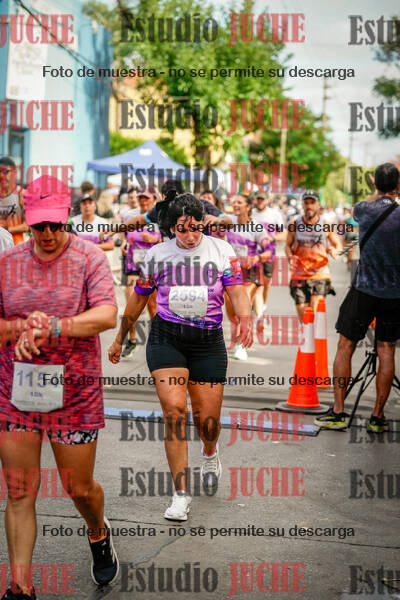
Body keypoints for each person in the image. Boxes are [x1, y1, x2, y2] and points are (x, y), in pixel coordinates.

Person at [0, 175, 119, 599]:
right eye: (38, 225)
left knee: (78, 489)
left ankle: (97, 531)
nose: (47, 233)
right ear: (27, 220)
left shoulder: (89, 258)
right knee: (19, 492)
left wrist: (53, 326)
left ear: (67, 216)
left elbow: (107, 315)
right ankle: (20, 588)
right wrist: (19, 328)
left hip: (75, 395)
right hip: (16, 393)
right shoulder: (8, 262)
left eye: (55, 223)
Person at [108, 191, 252, 520]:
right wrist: (120, 337)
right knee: (174, 411)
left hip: (207, 342)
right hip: (167, 338)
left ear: (203, 224)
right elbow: (138, 298)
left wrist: (245, 319)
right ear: (172, 228)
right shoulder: (158, 255)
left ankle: (210, 453)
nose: (190, 236)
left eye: (196, 228)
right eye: (182, 229)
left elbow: (237, 290)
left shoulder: (221, 250)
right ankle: (180, 493)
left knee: (207, 421)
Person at [315, 163, 400, 433]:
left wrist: (381, 189)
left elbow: (364, 205)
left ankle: (339, 412)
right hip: (394, 293)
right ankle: (377, 417)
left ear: (374, 183)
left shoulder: (364, 209)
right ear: (398, 185)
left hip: (364, 288)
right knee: (386, 350)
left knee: (345, 344)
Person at [225, 194, 273, 360]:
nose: (235, 204)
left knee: (243, 306)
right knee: (231, 310)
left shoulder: (257, 227)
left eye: (239, 202)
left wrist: (257, 258)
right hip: (230, 271)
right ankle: (242, 334)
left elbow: (268, 252)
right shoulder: (229, 222)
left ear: (248, 207)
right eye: (234, 202)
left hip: (250, 273)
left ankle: (241, 345)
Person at [285, 190, 341, 322]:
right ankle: (308, 333)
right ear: (302, 205)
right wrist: (290, 257)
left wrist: (334, 250)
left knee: (314, 313)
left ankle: (314, 333)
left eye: (312, 202)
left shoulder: (326, 225)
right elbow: (287, 246)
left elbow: (338, 245)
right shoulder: (294, 224)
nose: (309, 206)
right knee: (304, 318)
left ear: (318, 205)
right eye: (306, 203)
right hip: (299, 275)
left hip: (320, 274)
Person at [121, 189, 162, 358]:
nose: (143, 201)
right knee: (131, 299)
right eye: (141, 198)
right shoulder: (130, 215)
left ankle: (158, 339)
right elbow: (125, 234)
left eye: (147, 198)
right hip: (134, 264)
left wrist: (155, 239)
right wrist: (124, 243)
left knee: (152, 305)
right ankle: (131, 339)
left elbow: (170, 239)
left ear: (154, 199)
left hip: (153, 267)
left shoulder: (160, 216)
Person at [126, 180, 233, 233]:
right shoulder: (161, 209)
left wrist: (218, 220)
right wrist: (119, 229)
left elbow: (229, 223)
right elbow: (141, 220)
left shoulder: (202, 205)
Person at [251, 191, 286, 314]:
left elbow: (283, 234)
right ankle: (254, 305)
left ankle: (263, 304)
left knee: (266, 283)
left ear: (267, 200)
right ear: (255, 200)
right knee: (253, 282)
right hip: (253, 253)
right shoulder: (250, 213)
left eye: (262, 199)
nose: (260, 201)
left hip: (269, 254)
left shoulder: (274, 215)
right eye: (258, 199)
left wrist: (272, 238)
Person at [0, 157, 28, 245]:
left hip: (17, 247)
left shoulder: (22, 194)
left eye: (5, 171)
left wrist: (5, 229)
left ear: (14, 173)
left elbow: (27, 226)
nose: (1, 175)